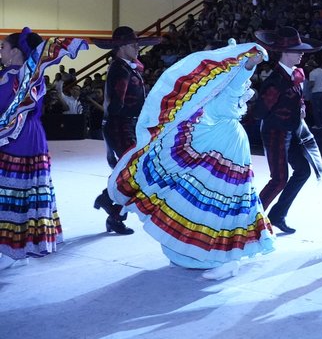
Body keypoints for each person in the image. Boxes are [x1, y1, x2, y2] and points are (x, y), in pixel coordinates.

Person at [108, 42, 275, 279]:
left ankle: (222, 257)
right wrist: (247, 62)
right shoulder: (218, 89)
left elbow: (241, 74)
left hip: (229, 147)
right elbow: (238, 74)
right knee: (211, 203)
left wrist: (247, 62)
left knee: (221, 204)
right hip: (220, 144)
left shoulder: (226, 86)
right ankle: (202, 254)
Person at [0, 28, 87, 270]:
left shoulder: (27, 78)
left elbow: (13, 109)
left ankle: (15, 250)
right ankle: (9, 246)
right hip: (12, 136)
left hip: (22, 138)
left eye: (3, 47)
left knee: (17, 192)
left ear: (16, 51)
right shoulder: (9, 74)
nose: (0, 52)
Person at [253, 27, 322, 235]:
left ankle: (277, 215)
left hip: (291, 132)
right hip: (275, 133)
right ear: (284, 52)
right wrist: (283, 111)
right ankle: (251, 222)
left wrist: (299, 106)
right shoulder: (275, 80)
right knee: (279, 179)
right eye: (297, 50)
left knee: (303, 170)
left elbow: (296, 98)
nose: (302, 53)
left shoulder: (294, 76)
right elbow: (259, 112)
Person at [91, 26, 161, 235]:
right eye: (133, 44)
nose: (137, 47)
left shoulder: (127, 68)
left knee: (130, 172)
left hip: (125, 125)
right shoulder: (121, 69)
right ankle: (110, 207)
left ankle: (111, 209)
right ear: (121, 47)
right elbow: (116, 105)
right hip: (120, 126)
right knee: (132, 171)